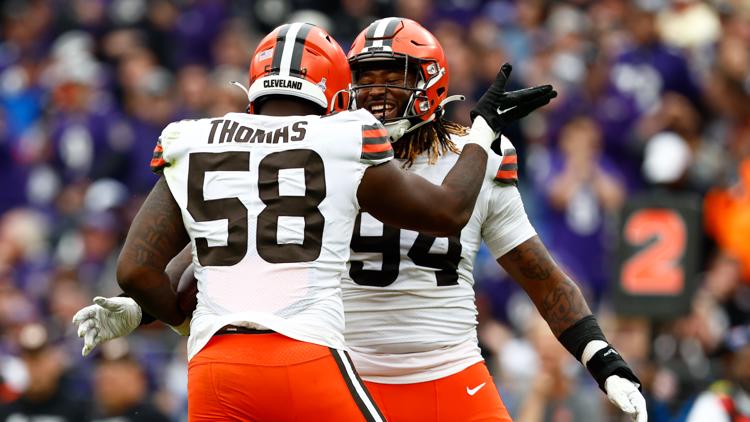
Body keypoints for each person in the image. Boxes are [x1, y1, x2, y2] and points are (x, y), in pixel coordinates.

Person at [76, 22, 555, 421]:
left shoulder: (196, 137)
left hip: (212, 362)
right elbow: (448, 211)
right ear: (336, 89)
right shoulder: (343, 137)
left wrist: (167, 315)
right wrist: (483, 132)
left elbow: (141, 269)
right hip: (303, 350)